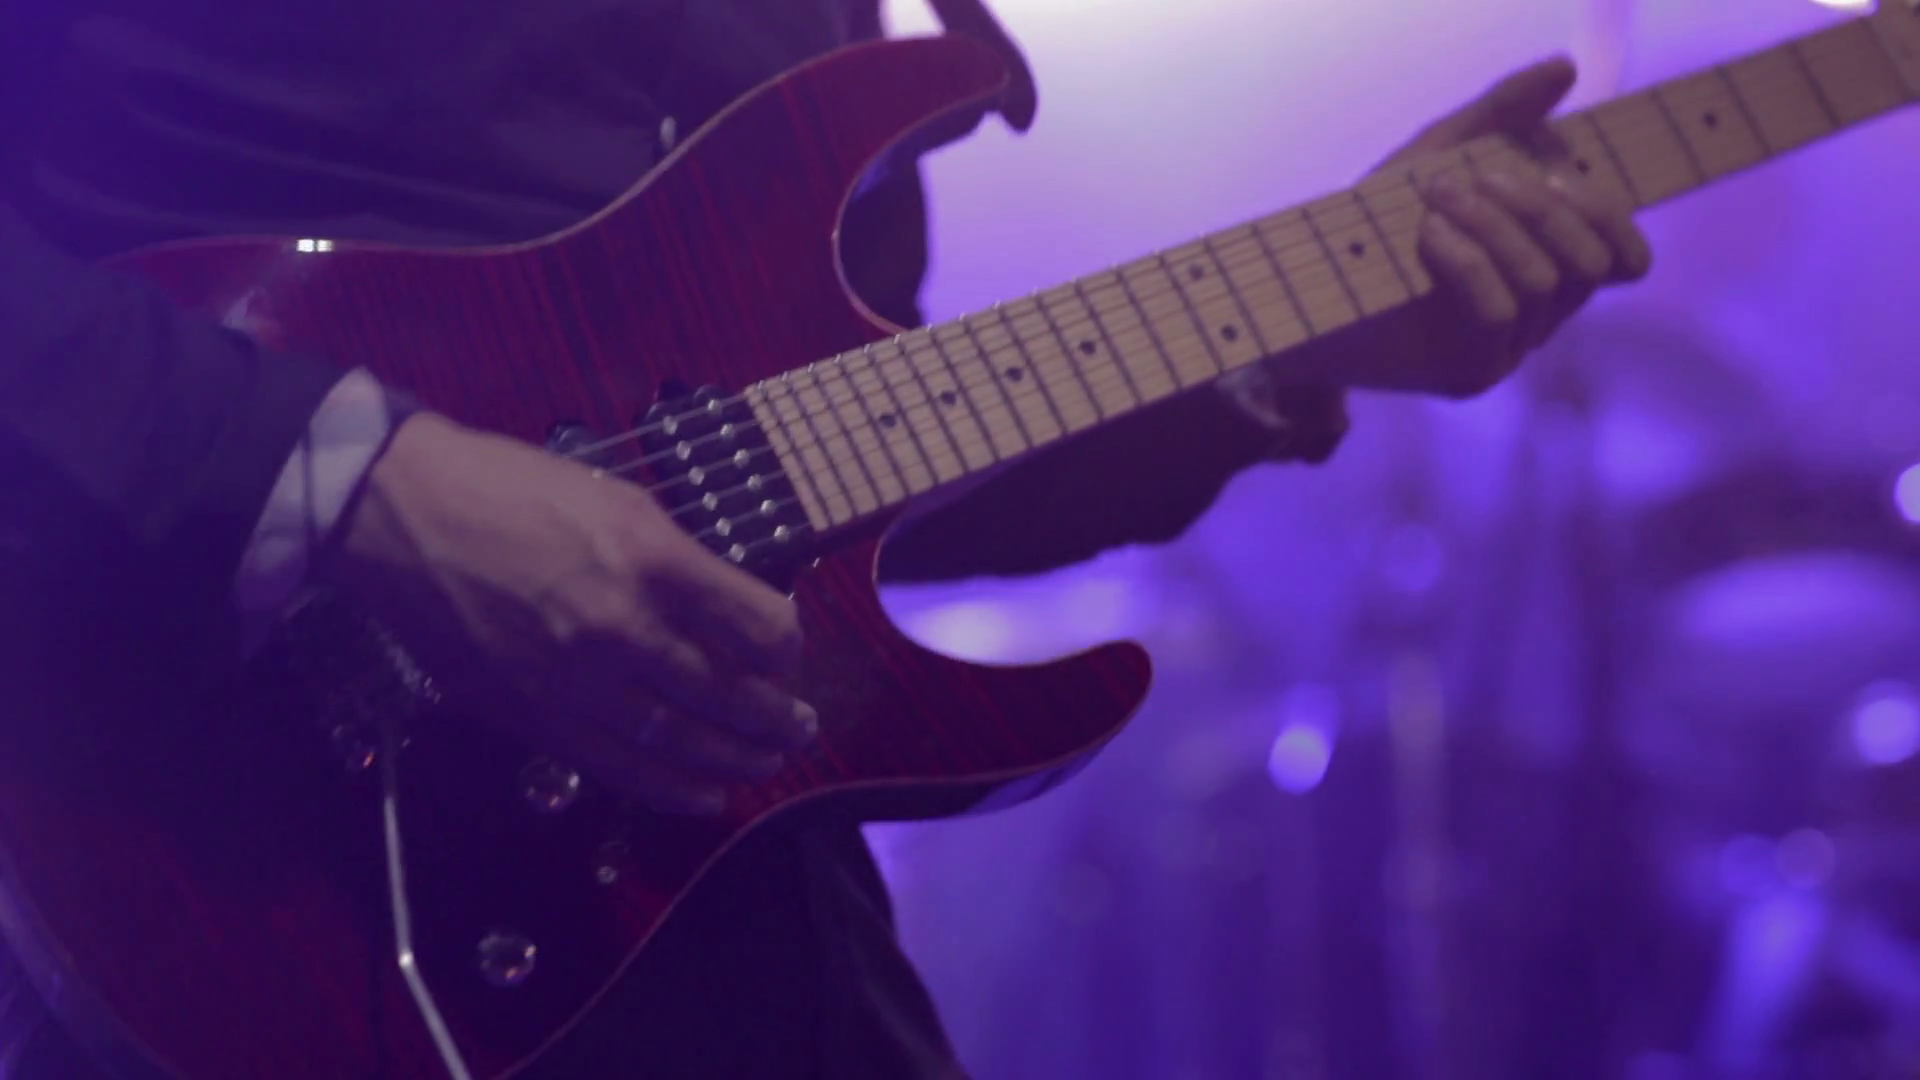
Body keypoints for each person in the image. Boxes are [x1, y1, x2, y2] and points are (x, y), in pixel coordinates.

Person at [0, 0, 1651, 1075]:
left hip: (701, 894)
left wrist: (1285, 347)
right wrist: (356, 484)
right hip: (188, 841)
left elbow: (814, 461)